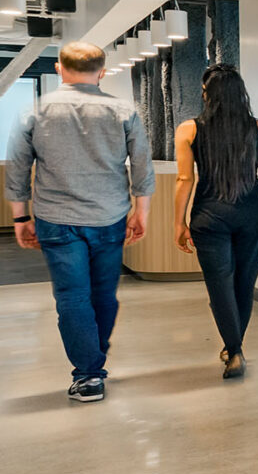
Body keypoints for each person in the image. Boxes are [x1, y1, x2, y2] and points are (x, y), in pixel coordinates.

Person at [5, 42, 154, 403]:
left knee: (72, 297)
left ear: (58, 68)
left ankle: (89, 373)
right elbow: (142, 165)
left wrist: (20, 217)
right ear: (102, 72)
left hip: (56, 219)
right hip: (109, 217)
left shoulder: (34, 111)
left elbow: (18, 168)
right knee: (104, 295)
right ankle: (92, 364)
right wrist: (142, 212)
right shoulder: (123, 111)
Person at [173, 65, 258, 379]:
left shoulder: (189, 129)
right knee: (244, 285)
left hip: (210, 218)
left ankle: (234, 350)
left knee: (220, 285)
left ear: (207, 94)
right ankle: (234, 346)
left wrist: (178, 224)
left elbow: (184, 180)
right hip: (252, 217)